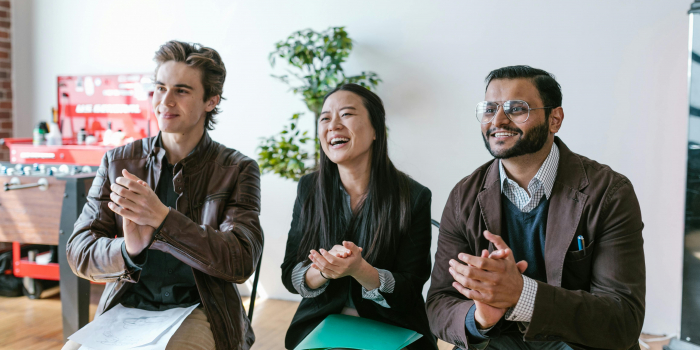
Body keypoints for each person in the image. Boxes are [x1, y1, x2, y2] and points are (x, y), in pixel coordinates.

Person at [426, 66, 645, 350]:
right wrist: (480, 318)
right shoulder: (463, 196)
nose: (498, 120)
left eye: (517, 109)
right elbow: (439, 303)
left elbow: (622, 318)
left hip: (579, 343)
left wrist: (521, 295)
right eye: (490, 108)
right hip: (497, 340)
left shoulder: (608, 192)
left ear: (555, 119)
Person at [63, 40, 263, 350]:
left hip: (200, 308)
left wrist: (164, 220)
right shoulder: (118, 161)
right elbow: (79, 251)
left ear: (211, 101)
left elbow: (240, 260)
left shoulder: (238, 168)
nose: (165, 101)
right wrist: (128, 250)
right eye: (160, 88)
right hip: (127, 306)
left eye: (181, 91)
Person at [280, 83, 438, 350]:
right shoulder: (309, 188)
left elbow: (409, 291)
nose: (333, 125)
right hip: (321, 324)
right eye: (325, 118)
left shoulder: (413, 196)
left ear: (376, 129)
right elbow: (290, 274)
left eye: (347, 114)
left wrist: (362, 271)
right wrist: (322, 271)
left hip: (394, 327)